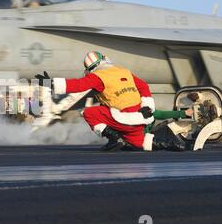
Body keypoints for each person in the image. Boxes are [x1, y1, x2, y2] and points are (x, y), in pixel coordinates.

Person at [38, 51, 185, 151]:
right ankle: (169, 144)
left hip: (122, 120)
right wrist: (147, 106)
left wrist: (49, 83)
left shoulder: (97, 76)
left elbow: (78, 85)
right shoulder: (124, 71)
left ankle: (113, 138)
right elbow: (144, 86)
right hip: (139, 120)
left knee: (89, 112)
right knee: (140, 145)